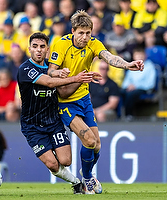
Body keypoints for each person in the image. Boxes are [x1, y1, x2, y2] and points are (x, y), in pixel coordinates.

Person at [48, 10, 144, 194]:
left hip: (84, 98)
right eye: (81, 33)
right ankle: (86, 180)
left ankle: (86, 175)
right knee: (90, 141)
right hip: (65, 101)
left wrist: (128, 64)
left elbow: (110, 57)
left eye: (88, 33)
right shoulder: (61, 45)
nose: (85, 37)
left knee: (97, 145)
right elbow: (50, 71)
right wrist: (59, 73)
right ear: (73, 31)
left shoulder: (93, 43)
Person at [18, 32, 96, 194]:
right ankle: (76, 183)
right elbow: (49, 82)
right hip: (32, 125)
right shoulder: (25, 69)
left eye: (42, 47)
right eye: (35, 46)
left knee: (66, 161)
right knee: (53, 164)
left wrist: (82, 78)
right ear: (29, 49)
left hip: (53, 122)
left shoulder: (53, 67)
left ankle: (77, 178)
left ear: (47, 50)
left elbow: (64, 92)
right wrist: (75, 78)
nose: (38, 50)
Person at [120, 47, 156, 118]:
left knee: (131, 94)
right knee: (121, 92)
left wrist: (135, 86)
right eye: (137, 55)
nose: (139, 57)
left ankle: (128, 115)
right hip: (131, 88)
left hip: (144, 89)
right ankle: (119, 115)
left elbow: (150, 84)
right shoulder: (131, 66)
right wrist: (128, 86)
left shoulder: (150, 66)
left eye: (141, 55)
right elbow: (126, 82)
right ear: (133, 56)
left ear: (145, 56)